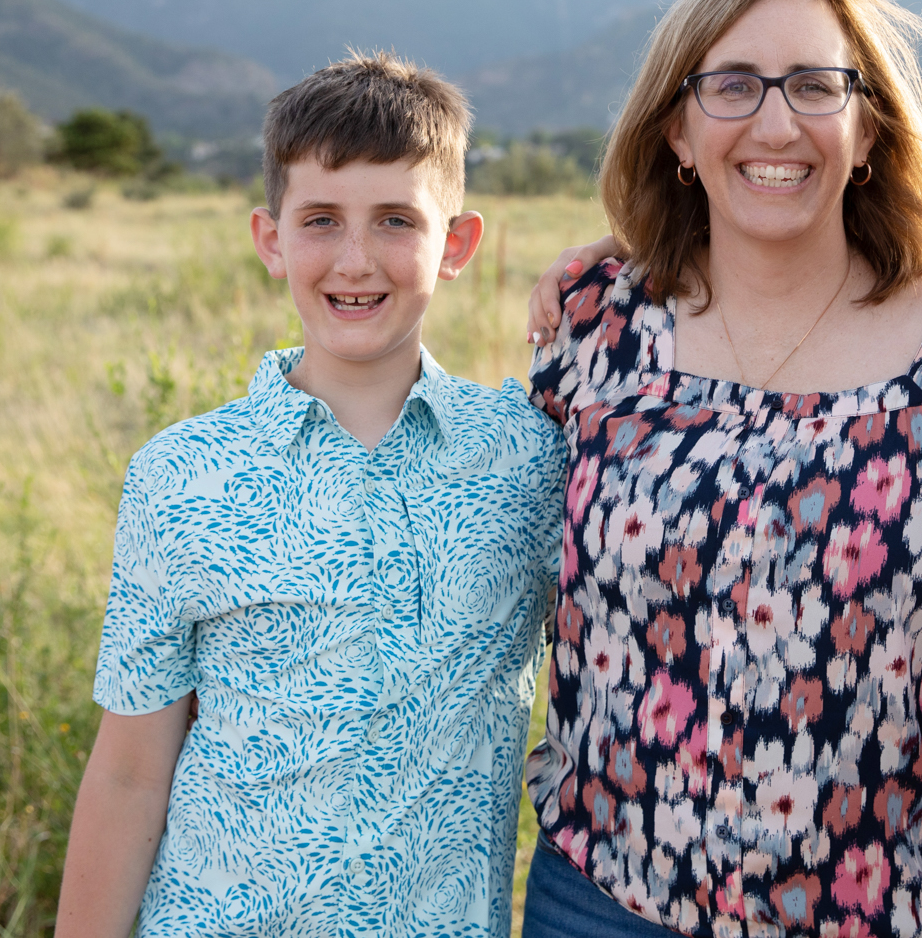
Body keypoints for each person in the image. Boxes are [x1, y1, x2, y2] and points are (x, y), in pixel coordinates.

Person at [517, 0, 922, 937]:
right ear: (676, 131)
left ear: (865, 130)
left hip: (888, 906)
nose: (775, 123)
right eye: (731, 86)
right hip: (604, 897)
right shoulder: (597, 330)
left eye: (816, 86)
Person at [55, 53, 567, 938]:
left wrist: (607, 260)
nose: (356, 258)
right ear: (270, 237)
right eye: (321, 219)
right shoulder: (183, 474)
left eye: (397, 220)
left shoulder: (529, 458)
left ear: (458, 244)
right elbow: (131, 771)